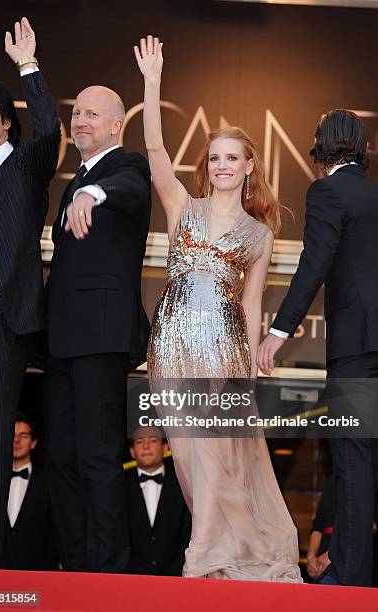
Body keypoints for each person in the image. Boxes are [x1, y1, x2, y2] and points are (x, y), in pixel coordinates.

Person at [134, 35, 301, 581]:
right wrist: (153, 84)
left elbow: (252, 303)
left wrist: (251, 362)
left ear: (250, 165)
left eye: (233, 158)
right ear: (206, 165)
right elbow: (156, 152)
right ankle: (225, 552)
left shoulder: (259, 234)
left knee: (222, 456)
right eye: (215, 158)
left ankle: (207, 555)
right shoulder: (183, 206)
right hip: (173, 346)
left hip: (224, 352)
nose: (223, 165)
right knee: (187, 456)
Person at [257, 109, 378, 586]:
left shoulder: (326, 191)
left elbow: (315, 264)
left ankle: (350, 575)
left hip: (355, 346)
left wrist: (279, 330)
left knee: (352, 459)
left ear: (324, 143)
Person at [44, 82, 151, 573]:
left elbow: (129, 189)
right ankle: (75, 563)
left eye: (93, 113)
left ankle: (106, 570)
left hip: (102, 337)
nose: (80, 119)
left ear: (116, 125)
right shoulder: (74, 180)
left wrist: (93, 190)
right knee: (62, 457)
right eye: (77, 112)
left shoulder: (127, 168)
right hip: (61, 340)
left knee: (97, 455)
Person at [0, 17, 60, 568]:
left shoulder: (26, 165)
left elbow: (49, 129)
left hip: (3, 320)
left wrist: (28, 66)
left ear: (6, 124)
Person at [125, 426, 191, 576]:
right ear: (132, 451)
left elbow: (188, 536)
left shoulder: (183, 485)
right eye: (140, 441)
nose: (146, 446)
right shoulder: (120, 489)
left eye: (153, 440)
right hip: (131, 580)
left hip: (176, 579)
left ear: (165, 448)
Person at [3, 413, 58, 571]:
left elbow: (54, 531)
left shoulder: (49, 484)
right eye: (12, 435)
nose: (16, 440)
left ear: (33, 442)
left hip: (38, 576)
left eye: (23, 435)